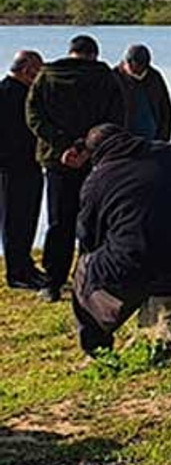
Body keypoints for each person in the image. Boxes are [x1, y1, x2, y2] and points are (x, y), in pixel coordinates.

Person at [72, 124, 171, 354]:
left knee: (84, 271)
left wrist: (98, 256)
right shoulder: (167, 155)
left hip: (133, 265)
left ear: (95, 154)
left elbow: (87, 237)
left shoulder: (97, 181)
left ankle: (97, 347)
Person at [25, 34, 124, 302]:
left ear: (70, 52)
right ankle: (92, 279)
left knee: (59, 222)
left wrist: (64, 145)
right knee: (95, 220)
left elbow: (34, 116)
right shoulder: (107, 79)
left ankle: (53, 283)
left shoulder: (47, 76)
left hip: (58, 161)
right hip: (95, 160)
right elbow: (115, 119)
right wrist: (84, 147)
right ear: (94, 54)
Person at [0, 51, 47, 290]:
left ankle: (26, 266)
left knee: (28, 219)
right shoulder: (6, 92)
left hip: (31, 165)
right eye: (39, 69)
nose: (41, 74)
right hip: (11, 169)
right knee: (14, 222)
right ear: (27, 70)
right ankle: (16, 273)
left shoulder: (27, 93)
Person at [113, 44, 171, 141]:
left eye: (143, 66)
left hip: (152, 141)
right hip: (124, 142)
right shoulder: (114, 77)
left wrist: (164, 139)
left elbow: (166, 110)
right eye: (135, 66)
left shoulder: (154, 77)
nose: (139, 70)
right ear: (127, 63)